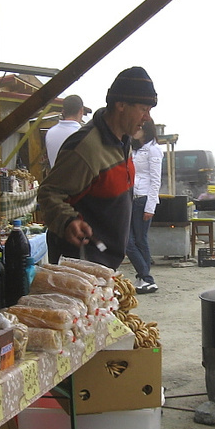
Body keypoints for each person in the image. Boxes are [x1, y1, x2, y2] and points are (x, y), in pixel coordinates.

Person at [37, 67, 157, 269]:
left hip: (105, 262)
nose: (147, 118)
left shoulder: (123, 142)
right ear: (121, 105)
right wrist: (68, 221)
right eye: (143, 109)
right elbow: (49, 193)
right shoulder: (86, 147)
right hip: (79, 263)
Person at [126, 118, 162, 293]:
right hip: (133, 197)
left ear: (146, 130)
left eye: (139, 128)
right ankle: (145, 277)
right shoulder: (137, 149)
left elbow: (156, 180)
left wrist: (151, 206)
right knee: (131, 241)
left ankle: (146, 278)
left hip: (144, 198)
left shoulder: (153, 150)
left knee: (138, 240)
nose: (136, 130)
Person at [44, 95, 91, 168]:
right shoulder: (83, 135)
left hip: (55, 178)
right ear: (81, 111)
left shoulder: (50, 132)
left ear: (64, 111)